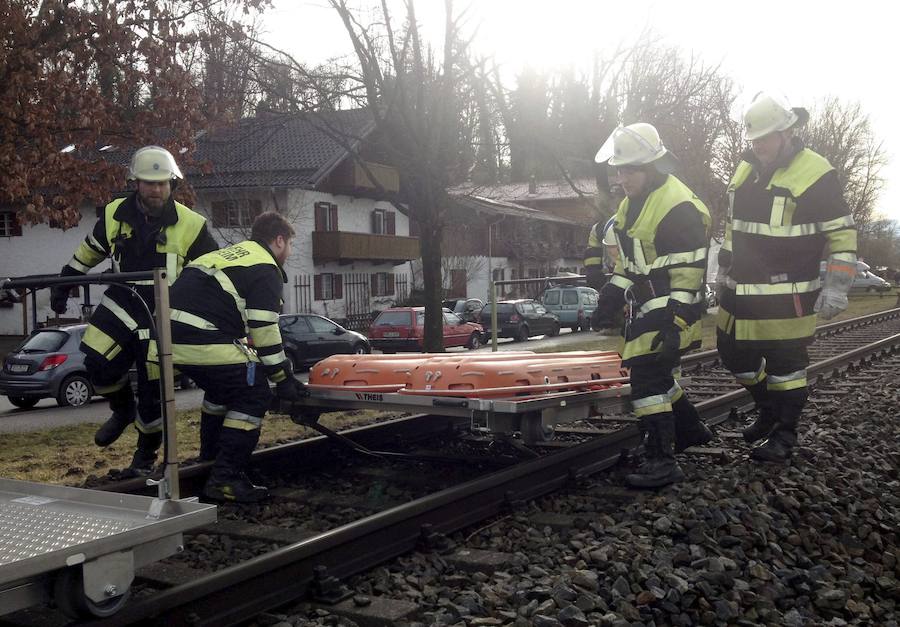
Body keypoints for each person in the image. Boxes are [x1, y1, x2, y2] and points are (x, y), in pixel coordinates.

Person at [50, 146, 218, 476]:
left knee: (154, 390)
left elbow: (213, 273)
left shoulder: (193, 225)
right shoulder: (113, 215)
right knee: (96, 360)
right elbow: (87, 254)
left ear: (172, 185)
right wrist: (63, 285)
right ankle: (122, 408)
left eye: (162, 184)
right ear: (136, 183)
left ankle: (144, 456)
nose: (156, 190)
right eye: (149, 183)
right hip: (123, 301)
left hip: (164, 313)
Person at [717, 92, 857, 463]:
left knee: (786, 369)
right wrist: (723, 267)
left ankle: (785, 433)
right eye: (754, 139)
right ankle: (768, 409)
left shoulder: (817, 172)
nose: (758, 145)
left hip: (787, 292)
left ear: (787, 133)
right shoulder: (746, 168)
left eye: (765, 137)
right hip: (738, 290)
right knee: (732, 355)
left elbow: (842, 234)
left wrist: (837, 287)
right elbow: (733, 225)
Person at [592, 123, 713, 488]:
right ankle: (691, 430)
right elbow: (633, 264)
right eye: (619, 169)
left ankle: (662, 460)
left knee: (646, 380)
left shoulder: (678, 207)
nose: (621, 177)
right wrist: (610, 295)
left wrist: (676, 322)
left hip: (675, 308)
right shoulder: (632, 205)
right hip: (651, 306)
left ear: (652, 166)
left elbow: (690, 272)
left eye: (629, 169)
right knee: (658, 377)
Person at [170, 211, 306, 502]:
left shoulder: (229, 254)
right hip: (202, 337)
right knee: (253, 393)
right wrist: (283, 378)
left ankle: (210, 460)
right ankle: (225, 478)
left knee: (223, 390)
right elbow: (265, 329)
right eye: (290, 245)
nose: (289, 252)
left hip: (169, 338)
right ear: (279, 240)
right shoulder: (265, 267)